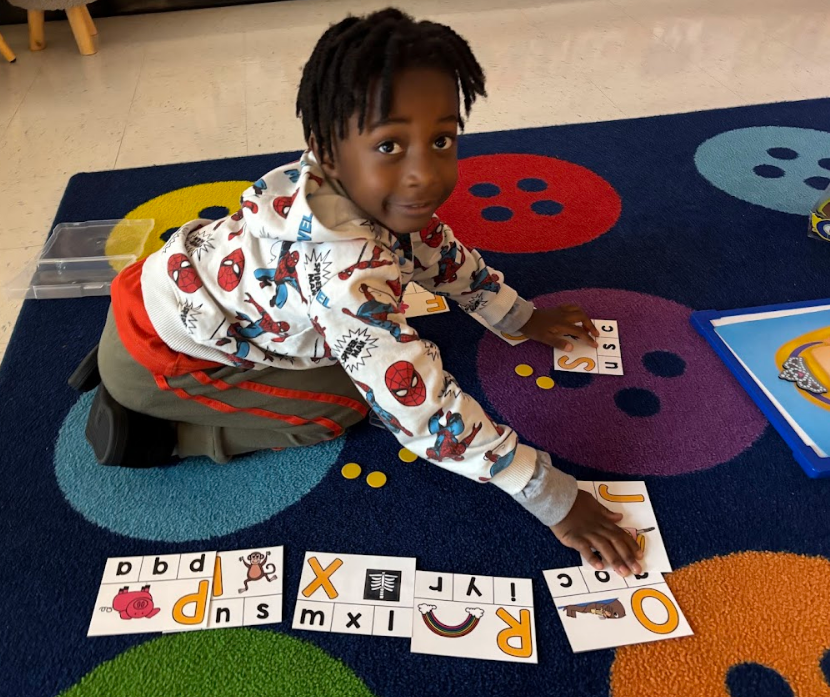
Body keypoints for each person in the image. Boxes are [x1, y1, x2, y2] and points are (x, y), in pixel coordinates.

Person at [73, 8, 643, 577]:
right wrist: (550, 495)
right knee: (346, 405)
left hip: (156, 292)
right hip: (160, 360)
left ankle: (130, 369)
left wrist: (518, 317)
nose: (425, 173)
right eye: (390, 145)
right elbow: (419, 409)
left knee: (359, 358)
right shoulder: (346, 272)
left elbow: (436, 253)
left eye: (441, 139)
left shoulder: (342, 183)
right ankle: (165, 432)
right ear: (326, 146)